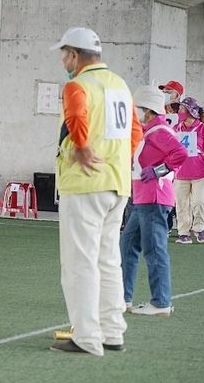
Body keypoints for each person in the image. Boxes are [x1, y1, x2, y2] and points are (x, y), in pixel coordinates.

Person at [49, 27, 141, 355]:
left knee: (79, 262)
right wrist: (119, 158)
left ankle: (87, 336)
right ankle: (113, 332)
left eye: (64, 54)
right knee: (107, 260)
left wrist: (83, 146)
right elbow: (136, 131)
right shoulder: (119, 84)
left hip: (85, 183)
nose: (63, 60)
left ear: (75, 55)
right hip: (117, 183)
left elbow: (76, 114)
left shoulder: (78, 84)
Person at [122, 86, 189, 318]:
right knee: (128, 244)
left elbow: (180, 154)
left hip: (154, 198)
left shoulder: (160, 130)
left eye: (136, 108)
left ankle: (161, 302)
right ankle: (123, 298)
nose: (134, 112)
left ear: (147, 110)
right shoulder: (148, 129)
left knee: (154, 249)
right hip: (143, 198)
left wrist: (159, 170)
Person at [172, 97, 204, 244]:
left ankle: (199, 228)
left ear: (190, 112)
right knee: (181, 204)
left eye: (181, 109)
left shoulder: (202, 129)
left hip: (201, 172)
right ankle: (183, 232)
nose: (179, 112)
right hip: (181, 172)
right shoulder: (176, 128)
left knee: (200, 201)